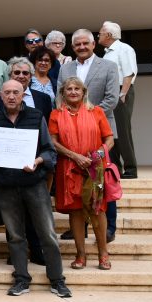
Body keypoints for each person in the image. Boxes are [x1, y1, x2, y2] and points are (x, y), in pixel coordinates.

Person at [0, 80, 70, 298]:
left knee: (47, 234)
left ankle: (57, 280)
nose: (11, 96)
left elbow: (50, 151)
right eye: (7, 93)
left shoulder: (36, 116)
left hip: (34, 184)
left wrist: (38, 160)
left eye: (16, 93)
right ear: (1, 96)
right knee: (15, 236)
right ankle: (21, 279)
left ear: (23, 95)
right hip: (7, 186)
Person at [58, 29, 121, 241]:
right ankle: (80, 228)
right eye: (77, 45)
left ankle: (108, 228)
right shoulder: (65, 68)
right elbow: (60, 97)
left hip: (99, 133)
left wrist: (89, 118)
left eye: (86, 43)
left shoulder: (109, 66)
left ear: (94, 44)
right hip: (70, 138)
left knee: (103, 182)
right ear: (73, 47)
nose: (82, 47)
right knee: (76, 187)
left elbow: (112, 98)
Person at [49, 77, 115, 271]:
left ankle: (103, 254)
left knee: (97, 209)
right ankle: (81, 254)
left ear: (84, 92)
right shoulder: (56, 114)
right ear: (63, 93)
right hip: (69, 168)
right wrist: (75, 156)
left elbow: (109, 139)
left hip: (95, 168)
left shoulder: (97, 112)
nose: (73, 92)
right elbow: (53, 141)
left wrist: (98, 154)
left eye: (77, 88)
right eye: (68, 89)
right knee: (76, 211)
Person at [99, 21, 139, 179]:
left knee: (122, 131)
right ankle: (115, 167)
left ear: (109, 35)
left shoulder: (124, 49)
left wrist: (122, 94)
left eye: (101, 33)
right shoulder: (107, 52)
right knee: (111, 132)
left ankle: (131, 169)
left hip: (121, 91)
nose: (99, 35)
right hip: (110, 93)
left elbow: (129, 73)